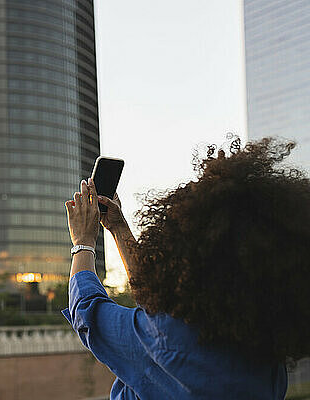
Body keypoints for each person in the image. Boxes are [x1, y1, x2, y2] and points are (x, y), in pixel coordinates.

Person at [62, 137, 310, 399]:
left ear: (197, 253)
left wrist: (83, 242)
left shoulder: (172, 340)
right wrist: (118, 228)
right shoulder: (267, 360)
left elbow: (88, 312)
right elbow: (156, 299)